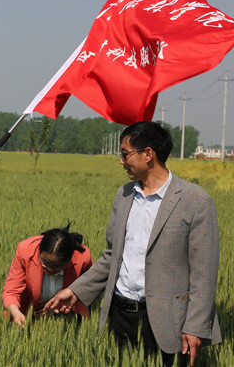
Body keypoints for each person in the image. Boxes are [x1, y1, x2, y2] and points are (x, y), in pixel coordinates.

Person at [45, 121, 221, 366]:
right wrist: (76, 290)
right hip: (120, 316)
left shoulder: (196, 200)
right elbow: (112, 256)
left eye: (125, 153)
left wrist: (195, 325)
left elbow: (204, 272)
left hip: (168, 320)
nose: (121, 161)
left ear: (148, 154)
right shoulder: (124, 195)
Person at [2, 225, 94, 327]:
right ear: (39, 251)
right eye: (45, 262)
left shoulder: (82, 258)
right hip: (28, 314)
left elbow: (89, 289)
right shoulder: (25, 251)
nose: (50, 269)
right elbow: (11, 291)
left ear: (69, 260)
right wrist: (16, 312)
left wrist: (58, 308)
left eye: (57, 266)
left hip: (67, 318)